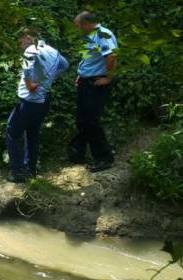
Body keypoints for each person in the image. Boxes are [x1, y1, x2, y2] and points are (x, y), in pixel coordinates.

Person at [5, 28, 69, 183]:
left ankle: (17, 172)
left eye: (19, 42)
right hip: (43, 102)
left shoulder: (30, 52)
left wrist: (32, 84)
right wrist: (48, 79)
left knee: (12, 133)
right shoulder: (51, 50)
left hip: (28, 103)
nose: (19, 46)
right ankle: (30, 170)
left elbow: (30, 82)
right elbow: (65, 65)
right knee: (32, 135)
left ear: (28, 38)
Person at [67, 11, 118, 172]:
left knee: (91, 121)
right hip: (86, 81)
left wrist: (108, 78)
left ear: (86, 24)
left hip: (97, 83)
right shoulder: (90, 36)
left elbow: (110, 57)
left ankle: (104, 157)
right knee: (82, 120)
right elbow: (88, 58)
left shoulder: (103, 35)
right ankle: (77, 151)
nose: (77, 29)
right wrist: (80, 75)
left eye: (78, 26)